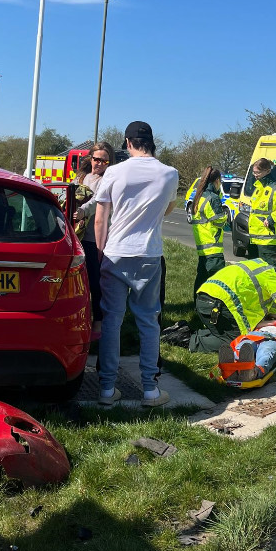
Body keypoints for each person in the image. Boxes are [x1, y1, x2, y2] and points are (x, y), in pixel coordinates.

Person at [94, 121, 179, 407]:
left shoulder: (114, 172)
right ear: (152, 142)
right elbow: (167, 209)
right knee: (148, 321)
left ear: (127, 142)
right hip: (148, 253)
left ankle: (106, 389)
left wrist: (100, 253)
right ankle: (150, 390)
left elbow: (100, 217)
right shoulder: (170, 174)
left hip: (115, 252)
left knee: (111, 321)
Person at [162, 257, 276, 353]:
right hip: (218, 304)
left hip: (204, 298)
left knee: (224, 333)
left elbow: (270, 307)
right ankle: (187, 340)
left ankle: (183, 329)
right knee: (237, 341)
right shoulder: (273, 277)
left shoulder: (257, 265)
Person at [72, 142, 117, 341]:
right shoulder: (82, 177)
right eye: (96, 159)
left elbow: (96, 202)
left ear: (109, 163)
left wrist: (82, 211)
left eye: (103, 160)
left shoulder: (108, 179)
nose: (98, 163)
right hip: (77, 236)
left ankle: (98, 322)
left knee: (96, 282)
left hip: (94, 238)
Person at [245, 158, 276, 269]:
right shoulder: (258, 188)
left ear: (267, 171)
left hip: (267, 240)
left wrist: (272, 218)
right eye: (253, 172)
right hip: (254, 239)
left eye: (258, 172)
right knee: (254, 271)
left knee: (269, 271)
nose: (255, 175)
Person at [189, 166, 227, 301]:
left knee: (201, 280)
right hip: (213, 249)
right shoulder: (212, 198)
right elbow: (220, 221)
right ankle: (213, 309)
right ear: (217, 180)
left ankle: (198, 305)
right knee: (217, 283)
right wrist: (225, 215)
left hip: (203, 248)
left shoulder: (199, 197)